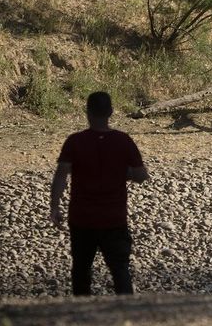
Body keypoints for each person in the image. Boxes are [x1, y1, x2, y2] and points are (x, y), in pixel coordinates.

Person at [50, 91, 149, 296]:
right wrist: (123, 172)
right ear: (111, 112)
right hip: (114, 219)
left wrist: (54, 207)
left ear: (87, 112)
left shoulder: (74, 142)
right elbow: (141, 175)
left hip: (82, 218)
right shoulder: (123, 141)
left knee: (81, 270)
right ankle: (127, 315)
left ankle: (83, 316)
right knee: (120, 270)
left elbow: (61, 176)